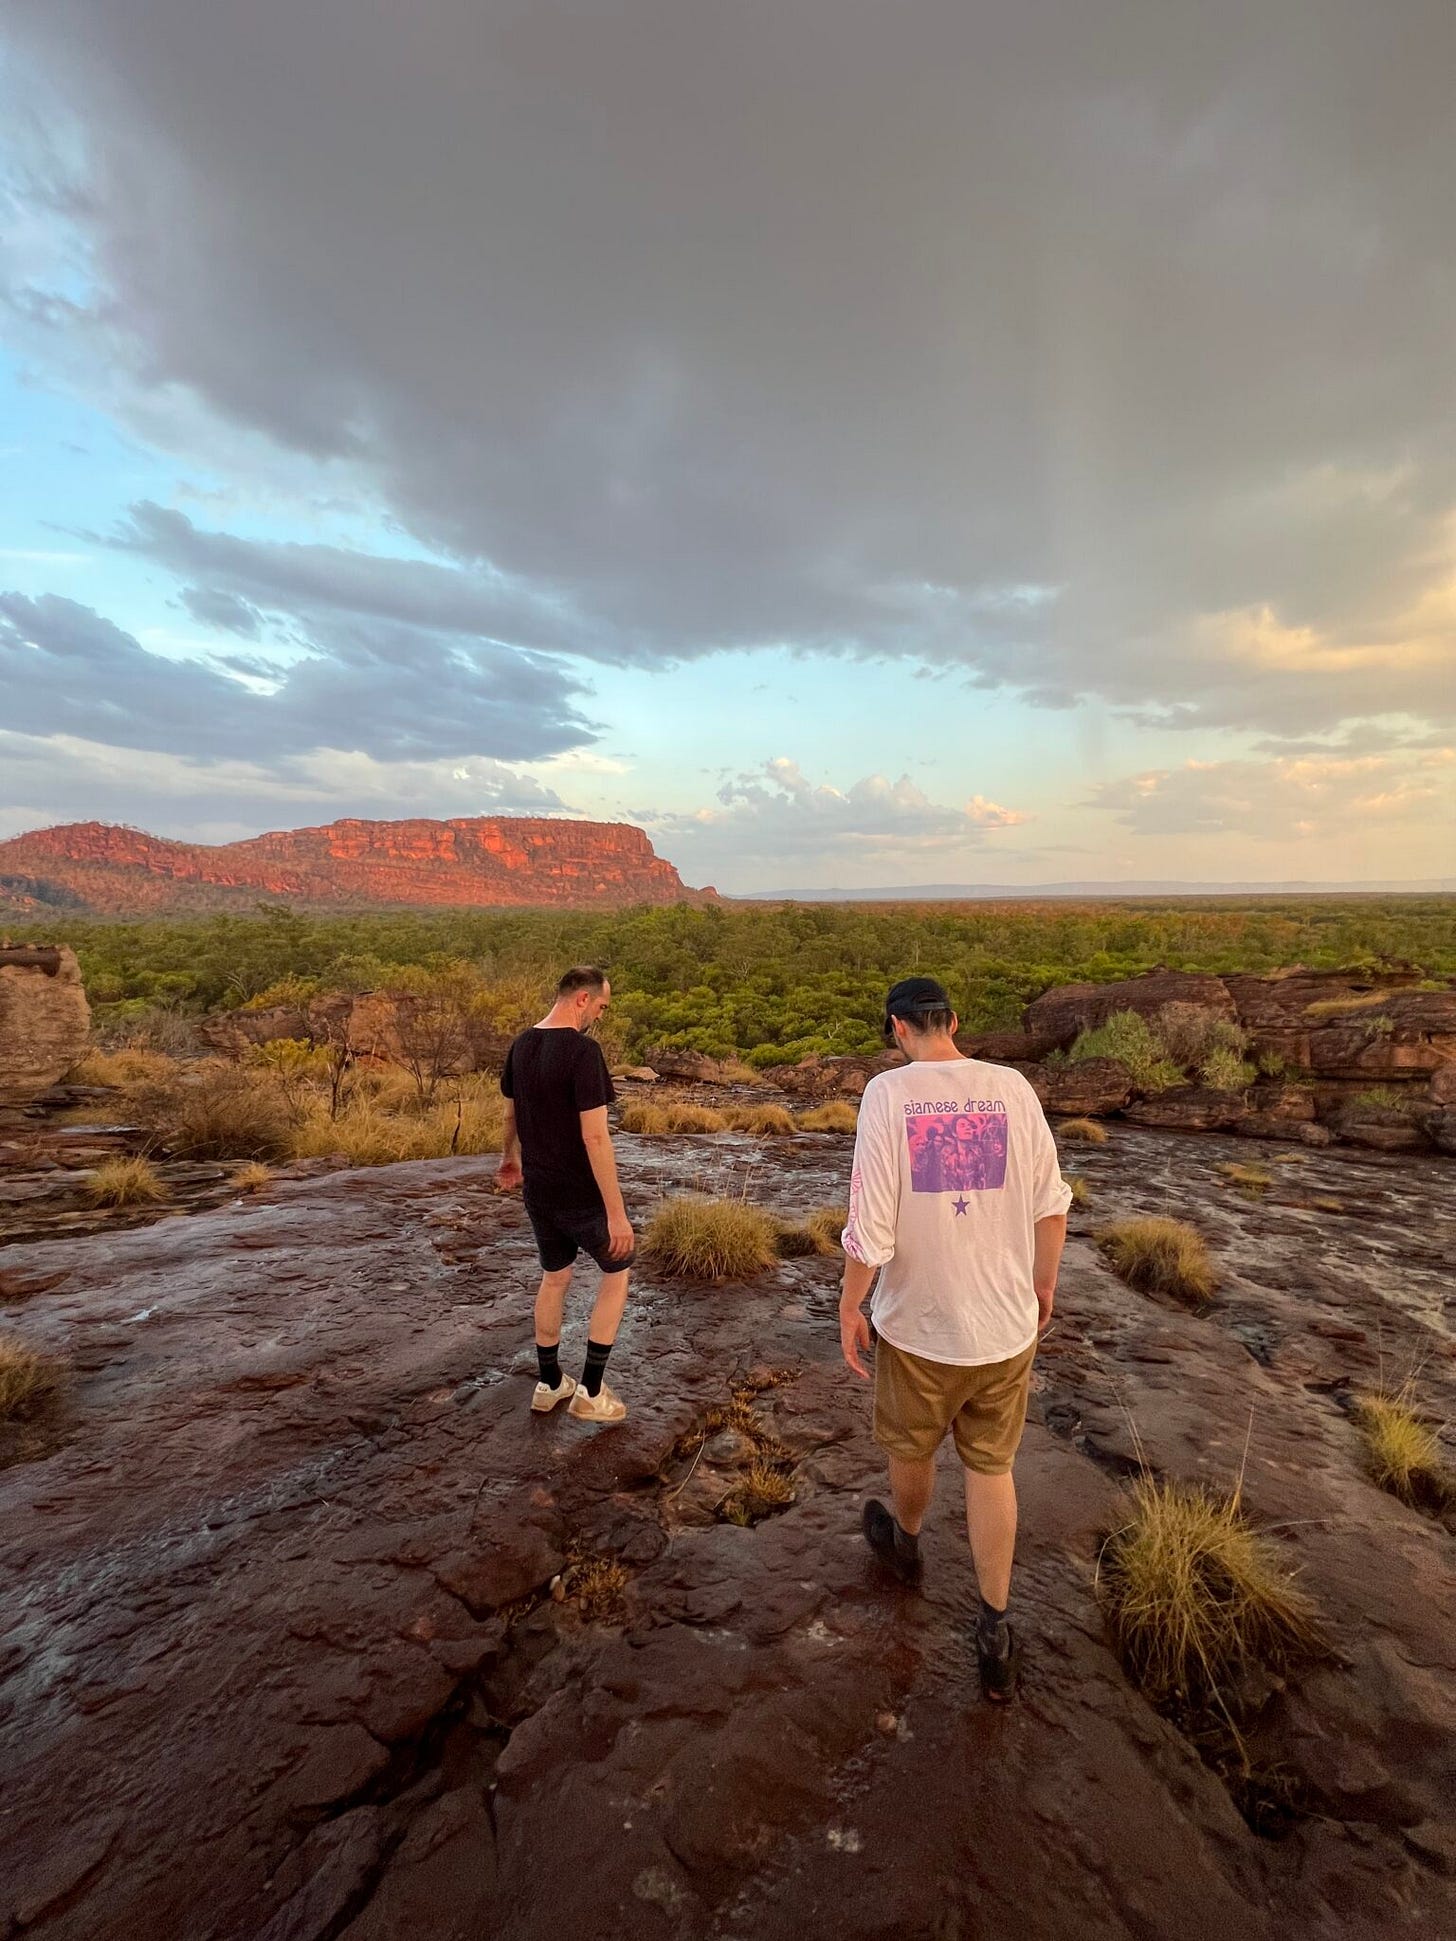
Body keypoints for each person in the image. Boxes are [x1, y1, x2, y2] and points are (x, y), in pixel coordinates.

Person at [839, 976, 1070, 1701]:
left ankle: (907, 1546)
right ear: (954, 1022)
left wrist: (851, 1303)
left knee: (911, 1446)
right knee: (991, 1468)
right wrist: (1042, 1284)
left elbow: (869, 1227)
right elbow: (1052, 1204)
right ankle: (995, 1627)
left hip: (919, 1327)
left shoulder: (888, 1094)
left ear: (898, 1029)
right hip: (1004, 1329)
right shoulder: (1013, 1087)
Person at [496, 966, 635, 1424]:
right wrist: (616, 1214)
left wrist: (509, 1159)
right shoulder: (582, 1052)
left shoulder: (521, 1045)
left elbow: (511, 1114)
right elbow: (596, 1138)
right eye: (600, 1006)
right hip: (581, 1192)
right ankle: (591, 1392)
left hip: (539, 1190)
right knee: (618, 1272)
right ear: (581, 998)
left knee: (555, 1278)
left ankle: (550, 1383)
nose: (599, 1014)